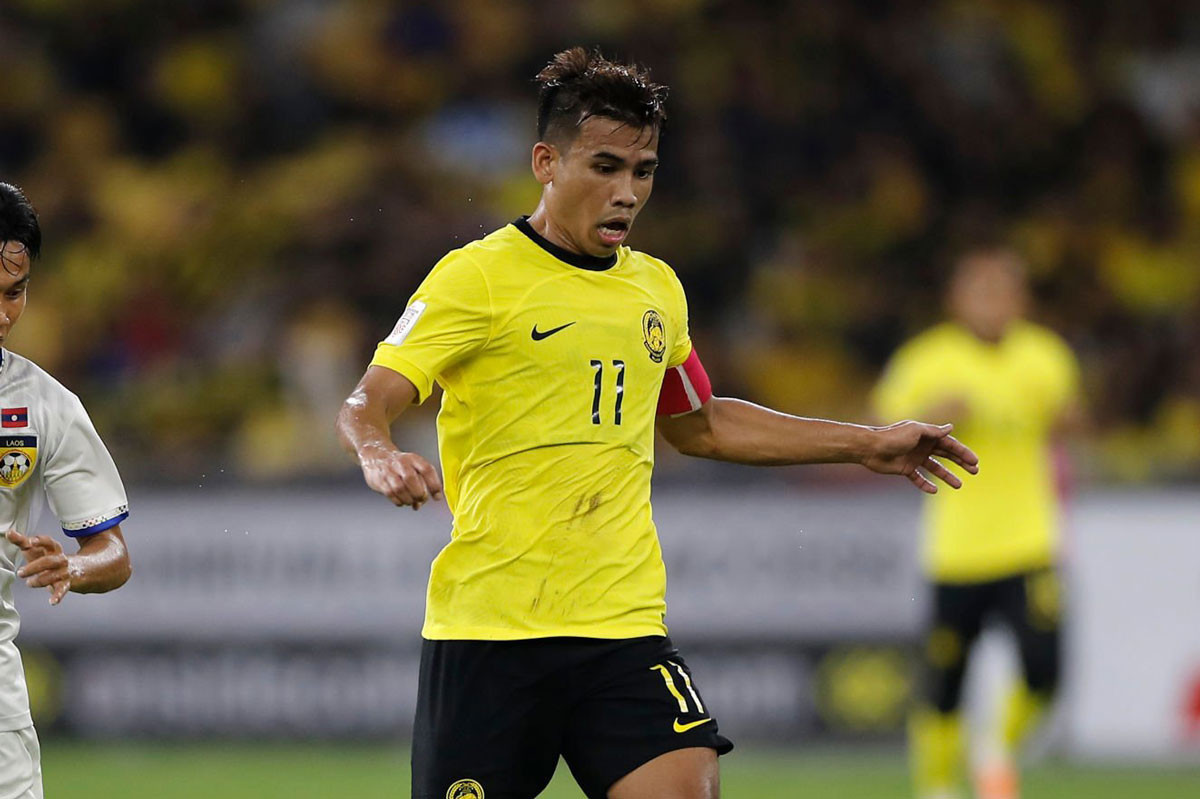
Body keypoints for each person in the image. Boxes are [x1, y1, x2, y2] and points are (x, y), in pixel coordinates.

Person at [336, 47, 978, 799]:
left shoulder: (656, 290)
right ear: (546, 162)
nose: (627, 193)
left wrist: (867, 444)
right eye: (605, 167)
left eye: (643, 171)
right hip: (492, 630)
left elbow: (699, 424)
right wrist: (379, 452)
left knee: (685, 785)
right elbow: (368, 400)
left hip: (622, 624)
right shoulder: (476, 277)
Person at [872, 249, 1083, 799]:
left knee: (1045, 672)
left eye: (1003, 291)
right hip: (957, 549)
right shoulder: (928, 359)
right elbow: (879, 425)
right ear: (956, 299)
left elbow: (1071, 418)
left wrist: (1067, 419)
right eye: (981, 292)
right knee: (946, 679)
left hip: (1029, 542)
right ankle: (937, 786)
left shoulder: (1044, 356)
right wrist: (931, 414)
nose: (993, 303)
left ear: (1022, 300)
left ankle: (995, 749)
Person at [0, 183, 133, 798]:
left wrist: (72, 567)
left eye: (14, 293)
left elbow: (114, 553)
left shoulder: (44, 405)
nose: (4, 315)